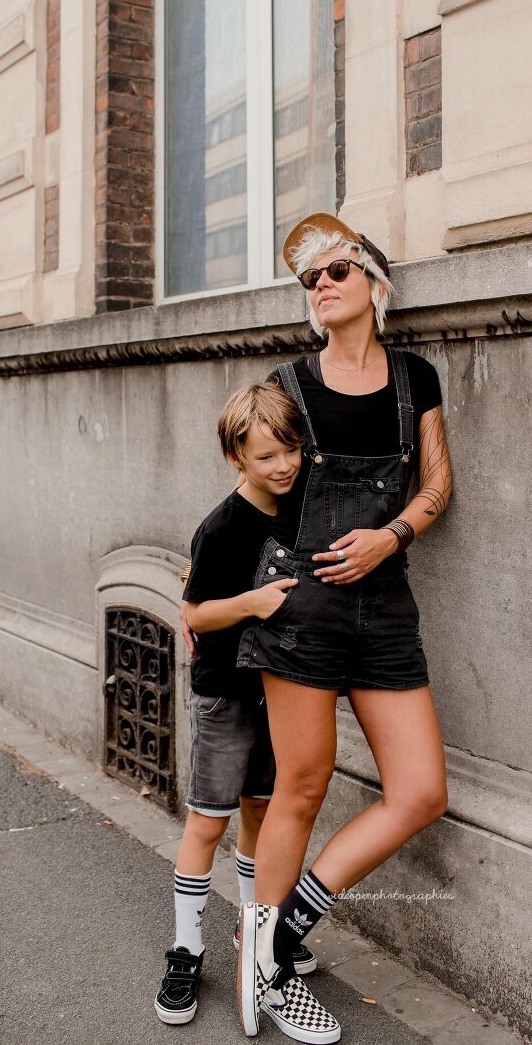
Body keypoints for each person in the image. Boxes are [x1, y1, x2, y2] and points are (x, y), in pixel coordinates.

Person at [234, 213, 453, 1044]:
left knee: (421, 791)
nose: (321, 286)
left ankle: (277, 933)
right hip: (301, 609)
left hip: (386, 608)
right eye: (309, 280)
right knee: (302, 787)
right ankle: (270, 975)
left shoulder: (415, 378)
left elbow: (436, 486)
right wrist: (213, 594)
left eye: (335, 270)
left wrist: (390, 536)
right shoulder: (287, 386)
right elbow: (250, 492)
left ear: (373, 281)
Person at [155, 382, 318, 1026]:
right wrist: (250, 603)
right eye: (265, 456)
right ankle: (185, 948)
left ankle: (255, 932)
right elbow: (196, 613)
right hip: (225, 692)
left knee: (261, 813)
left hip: (281, 691)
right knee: (208, 821)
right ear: (236, 459)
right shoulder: (222, 527)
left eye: (291, 451)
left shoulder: (302, 504)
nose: (282, 466)